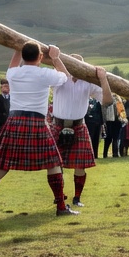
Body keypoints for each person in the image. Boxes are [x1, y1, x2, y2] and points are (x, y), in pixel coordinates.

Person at [0, 42, 78, 219]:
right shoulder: (45, 74)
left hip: (15, 121)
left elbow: (13, 62)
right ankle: (61, 207)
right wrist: (56, 57)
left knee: (1, 168)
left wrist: (17, 45)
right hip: (37, 122)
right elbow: (65, 76)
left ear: (23, 56)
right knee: (54, 164)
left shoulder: (13, 73)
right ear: (41, 57)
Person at [51, 59, 113, 208]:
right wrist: (56, 59)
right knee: (55, 164)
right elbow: (60, 72)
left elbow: (108, 101)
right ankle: (59, 196)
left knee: (80, 165)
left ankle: (77, 198)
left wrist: (103, 78)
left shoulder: (88, 82)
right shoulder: (58, 78)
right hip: (58, 125)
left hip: (79, 126)